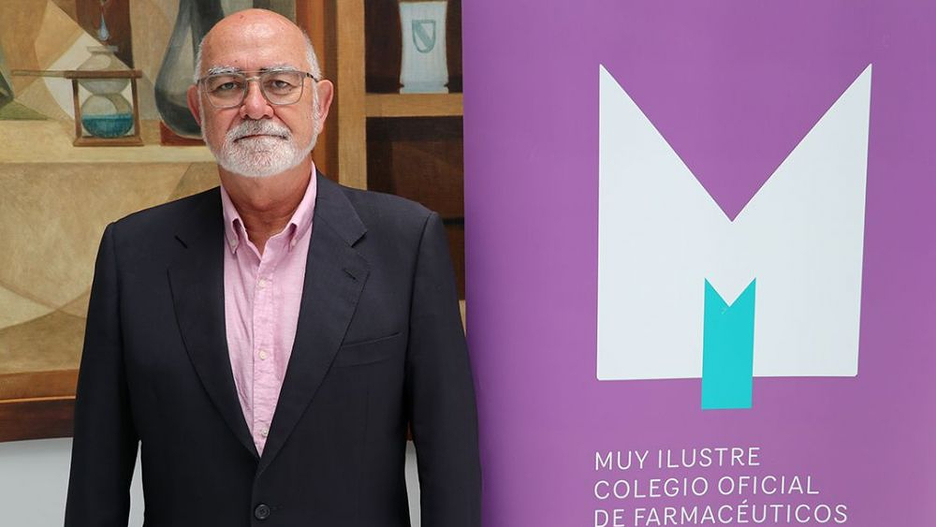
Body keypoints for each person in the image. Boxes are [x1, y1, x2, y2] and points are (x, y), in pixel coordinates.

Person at [64, 9, 480, 526]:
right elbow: (97, 475)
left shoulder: (407, 243)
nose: (255, 106)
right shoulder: (132, 254)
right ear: (197, 108)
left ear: (321, 103)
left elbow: (451, 460)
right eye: (227, 86)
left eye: (280, 83)